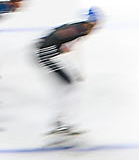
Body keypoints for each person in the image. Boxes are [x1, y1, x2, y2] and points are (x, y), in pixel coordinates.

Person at [35, 7, 101, 142]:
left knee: (67, 86)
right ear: (91, 22)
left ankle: (61, 121)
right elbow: (68, 49)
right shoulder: (81, 30)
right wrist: (77, 71)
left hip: (45, 51)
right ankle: (61, 122)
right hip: (47, 53)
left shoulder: (78, 27)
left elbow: (60, 42)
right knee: (67, 87)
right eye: (97, 23)